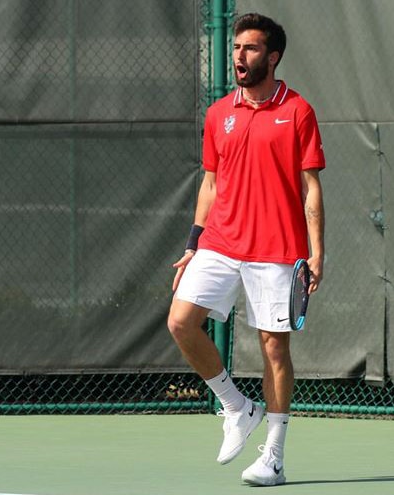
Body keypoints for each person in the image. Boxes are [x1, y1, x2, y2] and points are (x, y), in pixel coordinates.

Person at [167, 12, 325, 487]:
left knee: (274, 348)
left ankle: (273, 456)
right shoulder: (219, 114)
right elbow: (210, 184)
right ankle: (237, 407)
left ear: (272, 57)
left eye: (250, 48)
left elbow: (311, 188)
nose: (239, 56)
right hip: (219, 242)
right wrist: (193, 244)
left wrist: (316, 253)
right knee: (180, 321)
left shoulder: (297, 111)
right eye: (236, 47)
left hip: (277, 248)